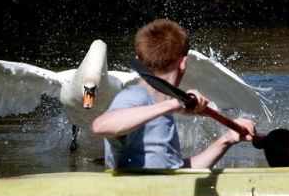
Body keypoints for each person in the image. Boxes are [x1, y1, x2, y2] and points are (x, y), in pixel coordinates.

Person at [91, 19, 256, 169]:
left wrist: (227, 139)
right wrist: (172, 105)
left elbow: (176, 170)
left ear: (139, 58)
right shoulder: (136, 96)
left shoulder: (158, 105)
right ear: (183, 63)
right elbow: (101, 126)